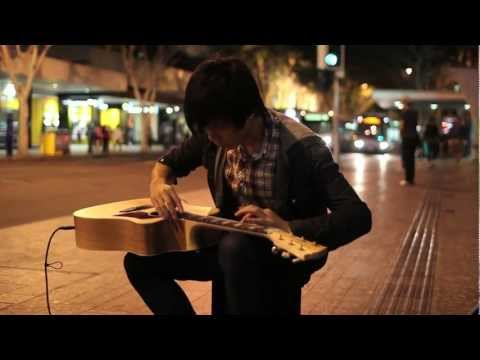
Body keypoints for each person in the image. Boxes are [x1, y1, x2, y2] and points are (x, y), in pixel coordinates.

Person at [123, 57, 372, 315]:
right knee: (140, 262)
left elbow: (358, 215)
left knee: (235, 248)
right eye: (205, 129)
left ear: (250, 114)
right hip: (230, 246)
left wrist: (287, 226)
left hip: (286, 253)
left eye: (217, 128)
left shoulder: (304, 149)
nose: (210, 136)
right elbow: (168, 164)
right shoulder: (213, 136)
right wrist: (159, 183)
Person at [399, 99, 419, 186]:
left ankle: (407, 179)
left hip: (406, 137)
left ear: (405, 104)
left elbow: (402, 125)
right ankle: (411, 179)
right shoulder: (415, 113)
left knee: (407, 158)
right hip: (413, 137)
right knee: (411, 159)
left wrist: (401, 133)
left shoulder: (405, 113)